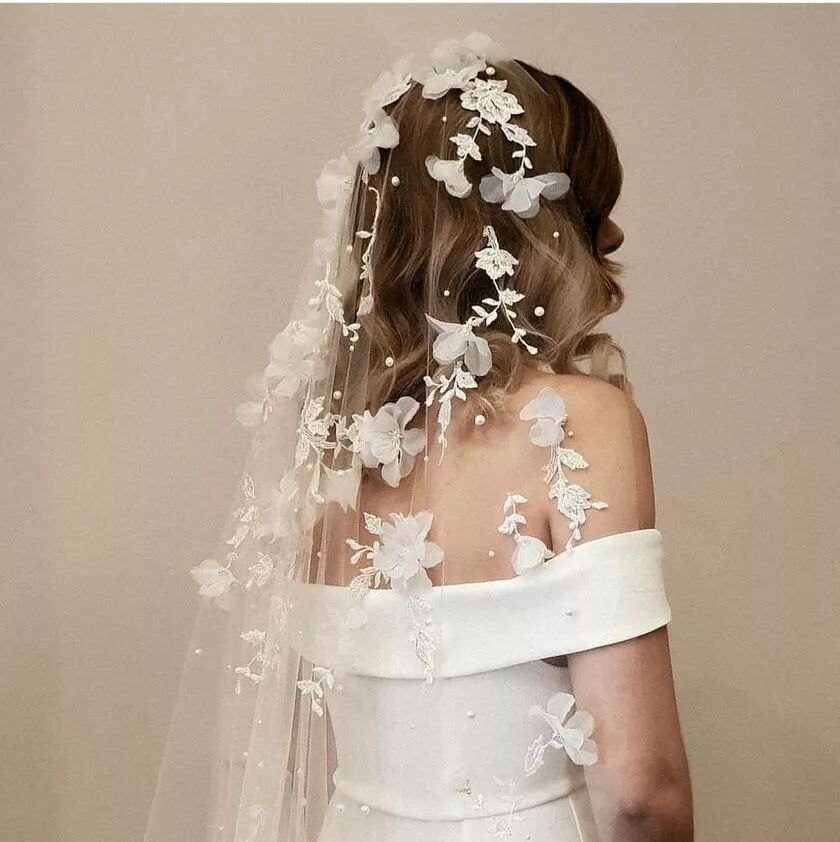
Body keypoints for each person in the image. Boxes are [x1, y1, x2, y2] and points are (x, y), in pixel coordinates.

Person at [143, 31, 693, 842]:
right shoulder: (581, 421)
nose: (611, 239)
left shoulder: (324, 443)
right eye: (594, 210)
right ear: (549, 226)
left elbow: (287, 758)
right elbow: (641, 792)